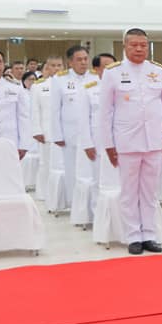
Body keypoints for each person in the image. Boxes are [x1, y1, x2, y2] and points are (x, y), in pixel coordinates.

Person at [98, 29, 162, 254]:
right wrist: (108, 144)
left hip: (154, 141)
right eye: (133, 45)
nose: (139, 49)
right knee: (129, 192)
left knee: (149, 191)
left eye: (143, 45)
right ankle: (133, 236)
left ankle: (149, 235)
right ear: (124, 46)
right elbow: (105, 112)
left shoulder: (158, 71)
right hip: (125, 142)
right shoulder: (113, 73)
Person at [73, 52, 117, 217]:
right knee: (98, 181)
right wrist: (87, 144)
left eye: (113, 66)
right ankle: (98, 217)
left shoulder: (122, 88)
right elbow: (83, 120)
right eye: (106, 66)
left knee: (118, 182)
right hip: (97, 143)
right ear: (97, 69)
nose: (110, 70)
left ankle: (117, 217)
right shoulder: (89, 89)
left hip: (119, 142)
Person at [50, 45, 93, 208]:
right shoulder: (59, 80)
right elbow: (54, 110)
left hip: (91, 134)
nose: (83, 62)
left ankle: (91, 205)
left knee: (91, 171)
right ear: (70, 62)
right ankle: (75, 205)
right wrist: (57, 135)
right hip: (70, 134)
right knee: (72, 170)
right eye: (79, 59)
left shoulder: (96, 78)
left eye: (85, 59)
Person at [29, 54, 64, 201]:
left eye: (59, 65)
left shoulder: (70, 84)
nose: (56, 68)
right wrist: (36, 130)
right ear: (47, 68)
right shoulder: (39, 86)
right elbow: (34, 110)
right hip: (47, 132)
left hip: (66, 132)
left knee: (64, 166)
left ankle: (62, 196)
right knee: (46, 165)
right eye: (53, 65)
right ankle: (44, 194)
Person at [0, 49, 29, 158]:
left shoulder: (15, 88)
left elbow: (23, 117)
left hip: (10, 142)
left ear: (4, 64)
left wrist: (24, 144)